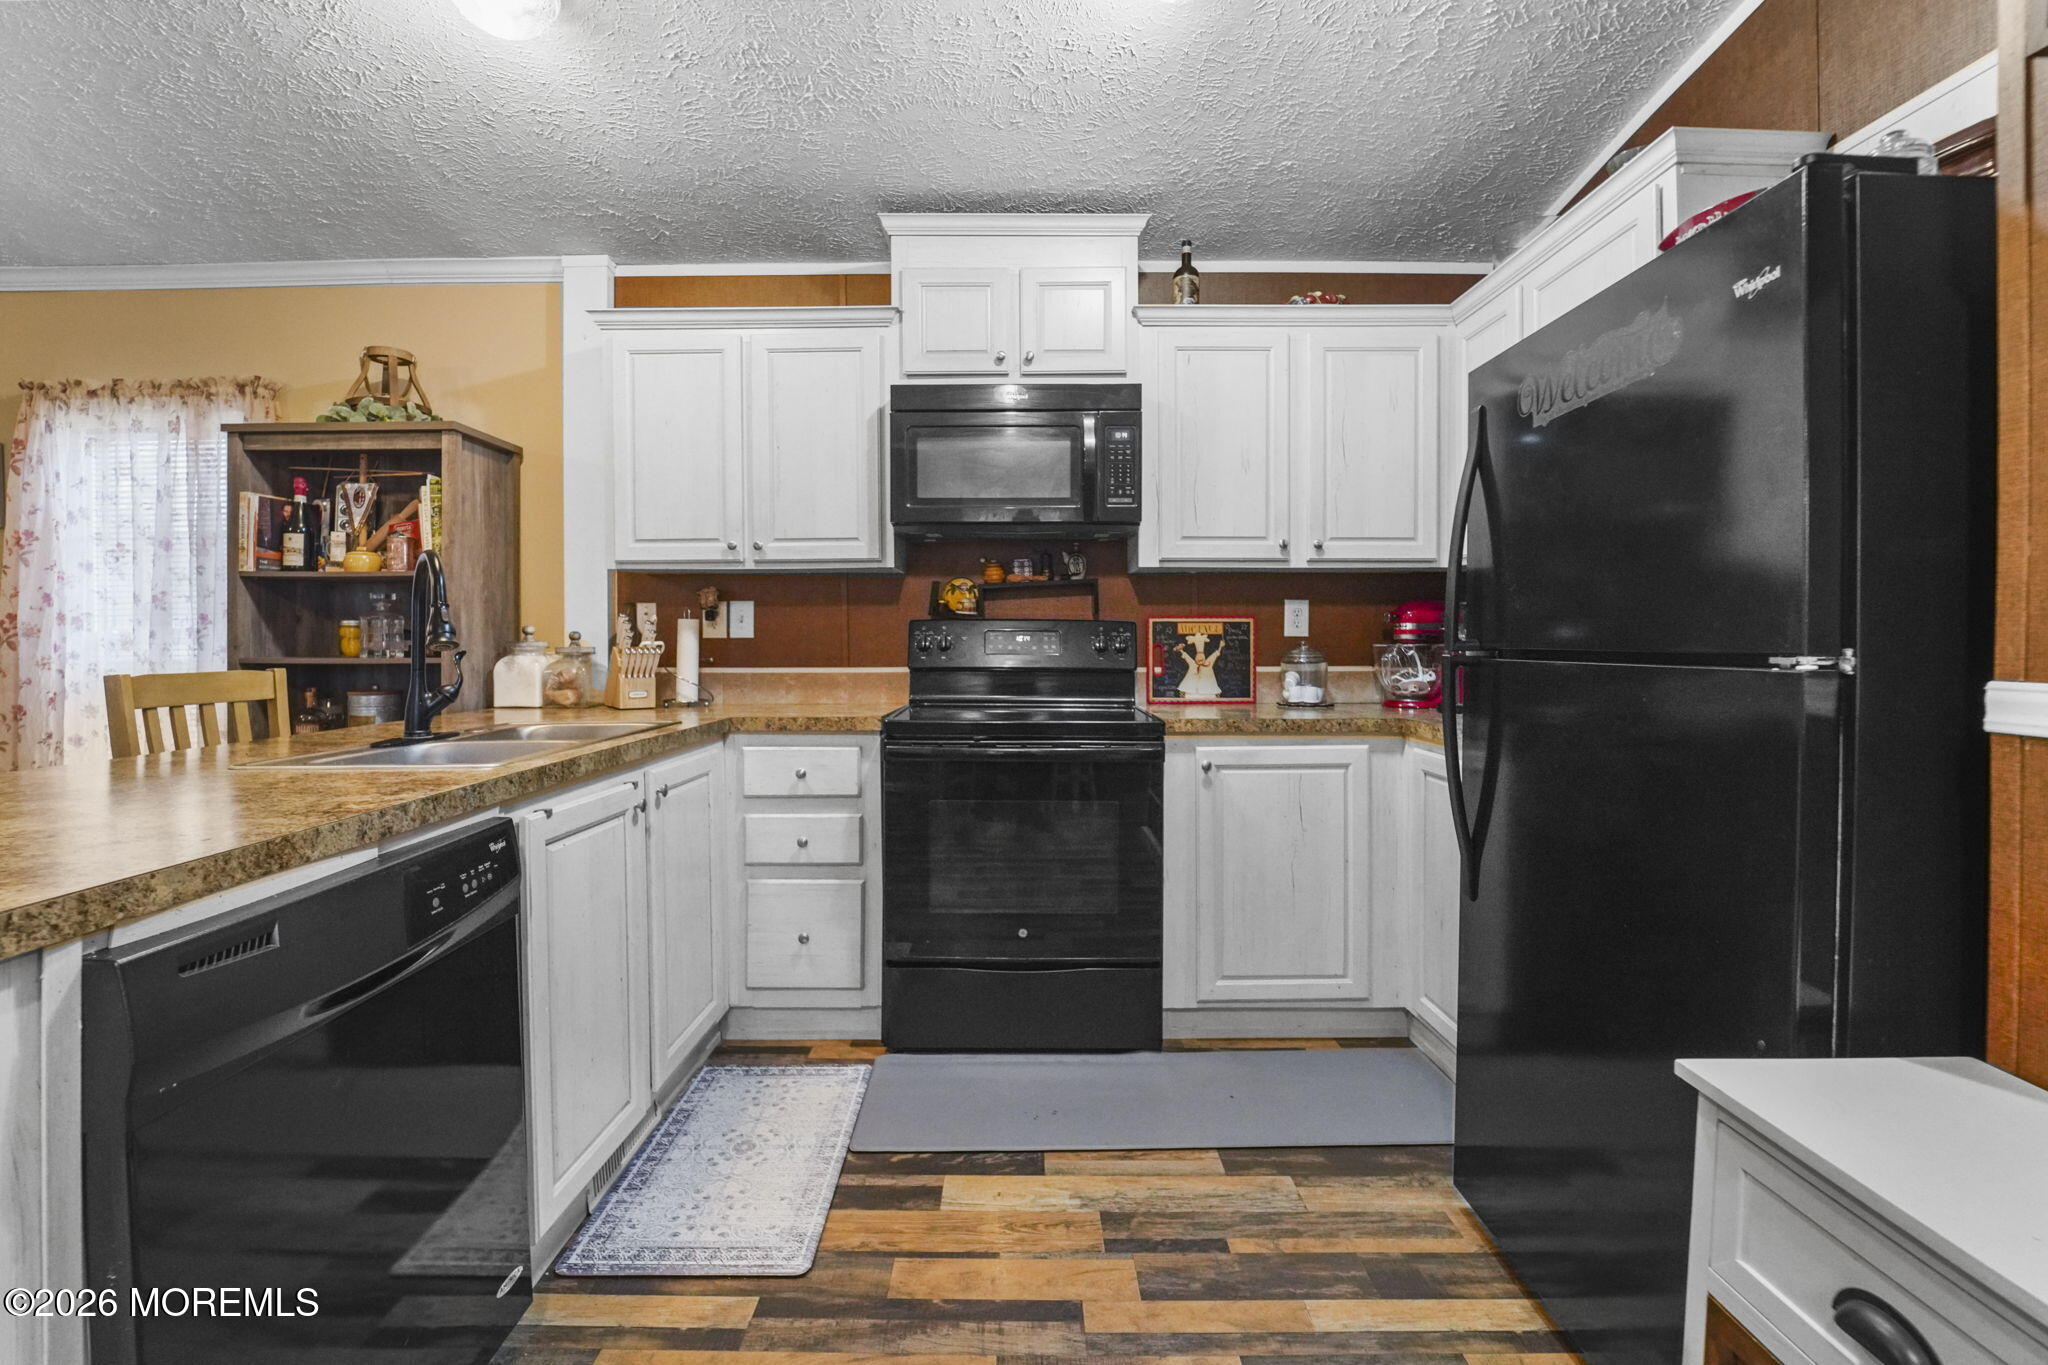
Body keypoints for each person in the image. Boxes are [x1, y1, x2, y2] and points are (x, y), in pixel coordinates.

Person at [1175, 631, 1225, 699]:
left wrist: (1220, 647)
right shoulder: (1193, 664)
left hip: (1208, 692)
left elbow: (1215, 655)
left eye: (1202, 657)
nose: (1200, 659)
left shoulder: (1208, 663)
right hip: (1192, 693)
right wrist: (1181, 650)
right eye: (1198, 657)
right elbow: (1187, 657)